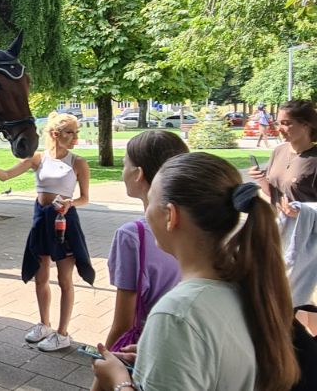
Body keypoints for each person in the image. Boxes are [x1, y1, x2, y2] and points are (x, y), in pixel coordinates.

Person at [93, 153, 299, 391]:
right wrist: (160, 356)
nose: (147, 213)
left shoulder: (177, 314)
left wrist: (118, 380)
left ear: (171, 216)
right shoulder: (247, 286)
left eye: (151, 202)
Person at [0, 112, 92, 352]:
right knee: (40, 277)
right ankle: (45, 324)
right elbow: (5, 175)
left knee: (65, 280)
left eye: (76, 132)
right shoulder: (38, 159)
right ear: (55, 134)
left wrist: (71, 203)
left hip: (65, 221)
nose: (75, 137)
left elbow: (84, 197)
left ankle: (62, 334)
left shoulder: (78, 162)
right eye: (70, 132)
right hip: (40, 220)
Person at [90, 131, 185, 391]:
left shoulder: (133, 235)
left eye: (124, 164)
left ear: (138, 173)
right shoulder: (204, 227)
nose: (123, 171)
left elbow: (124, 321)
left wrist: (105, 362)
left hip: (144, 352)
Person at [249, 99, 317, 332]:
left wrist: (303, 210)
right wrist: (260, 179)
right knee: (288, 295)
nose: (280, 129)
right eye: (279, 123)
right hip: (281, 232)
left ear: (306, 125)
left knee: (296, 295)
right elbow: (276, 193)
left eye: (287, 123)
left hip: (309, 238)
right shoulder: (278, 151)